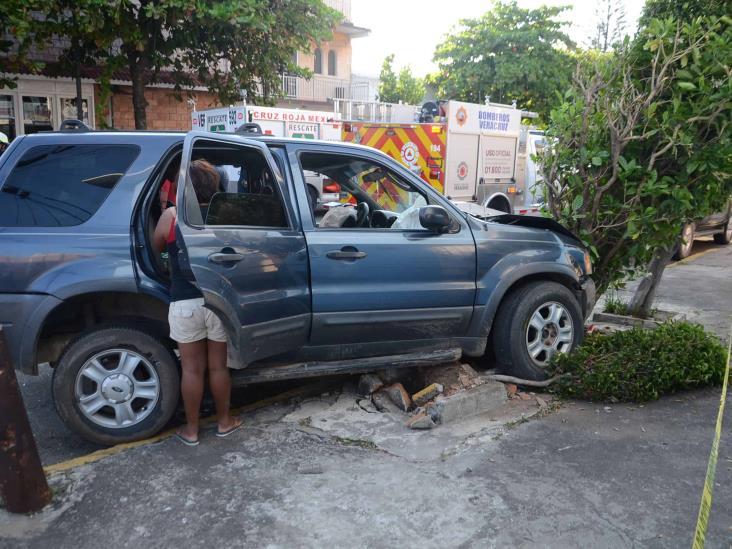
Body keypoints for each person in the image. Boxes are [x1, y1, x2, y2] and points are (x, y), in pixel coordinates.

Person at [153, 159, 242, 446]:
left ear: (183, 187)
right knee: (218, 367)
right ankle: (225, 422)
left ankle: (191, 430)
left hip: (184, 302)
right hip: (216, 301)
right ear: (214, 185)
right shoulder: (226, 215)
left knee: (191, 369)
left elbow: (157, 245)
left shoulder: (172, 216)